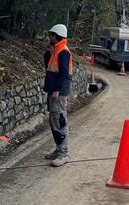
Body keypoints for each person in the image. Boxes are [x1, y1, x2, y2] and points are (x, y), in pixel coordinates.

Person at [43, 24, 73, 167]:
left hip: (58, 93)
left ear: (56, 36)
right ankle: (59, 149)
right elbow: (47, 66)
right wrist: (48, 49)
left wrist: (57, 90)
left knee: (60, 120)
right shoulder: (56, 50)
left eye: (51, 35)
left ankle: (64, 153)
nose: (49, 37)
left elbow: (64, 73)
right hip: (53, 90)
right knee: (54, 121)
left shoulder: (63, 51)